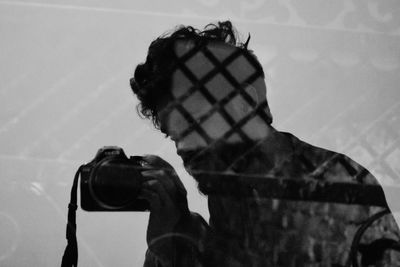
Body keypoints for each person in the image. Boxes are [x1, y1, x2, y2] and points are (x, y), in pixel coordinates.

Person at [130, 21, 400, 267]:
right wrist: (171, 242)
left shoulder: (340, 191)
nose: (183, 148)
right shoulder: (229, 191)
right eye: (175, 135)